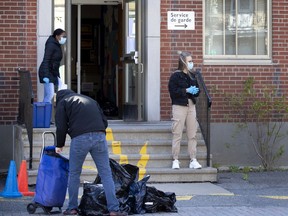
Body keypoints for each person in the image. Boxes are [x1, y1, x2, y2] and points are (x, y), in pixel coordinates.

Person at [54, 89, 127, 216]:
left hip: (80, 138)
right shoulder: (91, 100)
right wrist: (96, 132)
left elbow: (61, 126)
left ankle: (72, 208)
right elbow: (104, 122)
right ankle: (114, 210)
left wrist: (59, 144)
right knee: (106, 174)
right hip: (100, 136)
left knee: (74, 174)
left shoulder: (63, 102)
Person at [168, 51, 202, 169]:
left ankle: (193, 159)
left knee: (192, 134)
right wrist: (186, 90)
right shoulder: (175, 76)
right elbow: (173, 92)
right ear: (183, 62)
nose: (191, 63)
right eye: (189, 61)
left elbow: (198, 90)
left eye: (192, 61)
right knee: (177, 133)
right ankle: (175, 159)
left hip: (191, 106)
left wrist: (194, 91)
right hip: (179, 106)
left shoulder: (192, 76)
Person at [38, 28, 67, 103]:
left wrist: (58, 76)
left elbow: (55, 63)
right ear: (57, 36)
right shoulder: (51, 44)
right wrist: (45, 75)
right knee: (50, 94)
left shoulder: (57, 45)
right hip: (47, 72)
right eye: (63, 36)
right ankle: (44, 113)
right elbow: (46, 60)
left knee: (49, 94)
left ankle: (45, 112)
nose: (64, 38)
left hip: (52, 72)